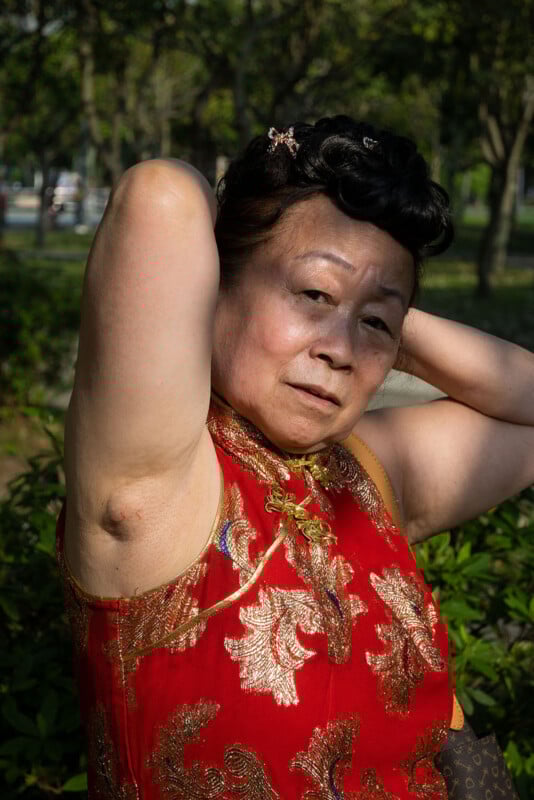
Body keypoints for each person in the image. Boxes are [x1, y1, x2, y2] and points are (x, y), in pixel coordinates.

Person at [56, 116, 534, 799]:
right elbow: (159, 197)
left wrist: (372, 306)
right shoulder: (158, 487)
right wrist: (355, 299)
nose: (340, 350)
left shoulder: (366, 475)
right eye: (310, 294)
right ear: (212, 281)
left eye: (375, 328)